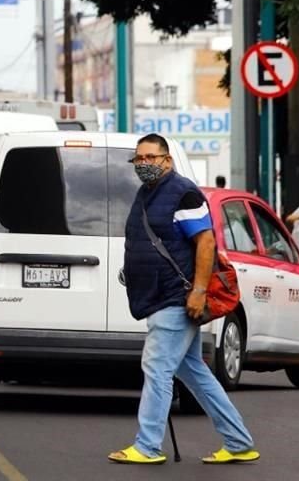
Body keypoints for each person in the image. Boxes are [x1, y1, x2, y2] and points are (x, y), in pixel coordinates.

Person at [108, 134, 258, 465]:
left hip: (176, 298)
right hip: (159, 295)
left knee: (157, 367)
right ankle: (238, 442)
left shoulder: (184, 193)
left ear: (167, 160)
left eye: (151, 157)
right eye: (139, 159)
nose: (144, 164)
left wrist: (199, 291)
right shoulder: (146, 193)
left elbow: (205, 244)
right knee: (194, 372)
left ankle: (147, 446)